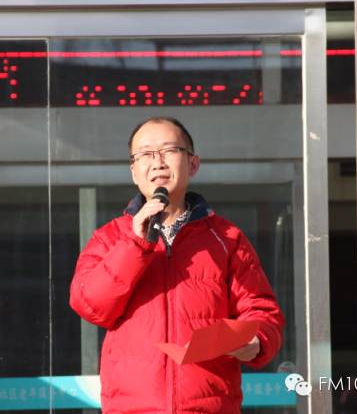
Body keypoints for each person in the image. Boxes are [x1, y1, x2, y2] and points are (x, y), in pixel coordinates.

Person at [69, 116, 284, 414]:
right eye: (145, 154)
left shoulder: (226, 237)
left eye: (169, 150)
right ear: (134, 171)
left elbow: (261, 311)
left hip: (210, 406)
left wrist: (256, 341)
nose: (157, 162)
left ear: (193, 164)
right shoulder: (110, 237)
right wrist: (135, 243)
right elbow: (90, 305)